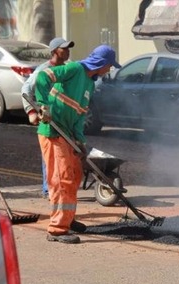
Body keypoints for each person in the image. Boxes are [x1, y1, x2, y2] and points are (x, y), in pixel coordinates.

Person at [33, 44, 121, 244]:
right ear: (102, 63)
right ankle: (57, 229)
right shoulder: (74, 69)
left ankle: (68, 219)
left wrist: (80, 141)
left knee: (73, 176)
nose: (109, 69)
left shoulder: (89, 84)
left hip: (69, 135)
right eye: (110, 66)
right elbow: (43, 77)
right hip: (53, 131)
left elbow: (79, 116)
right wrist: (43, 105)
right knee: (61, 178)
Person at [22, 37, 75, 199]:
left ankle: (60, 187)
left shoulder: (66, 70)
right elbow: (26, 89)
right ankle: (49, 190)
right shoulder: (43, 70)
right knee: (50, 156)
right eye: (63, 49)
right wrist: (31, 111)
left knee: (64, 155)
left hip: (63, 120)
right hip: (47, 118)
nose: (67, 51)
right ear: (54, 52)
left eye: (68, 48)